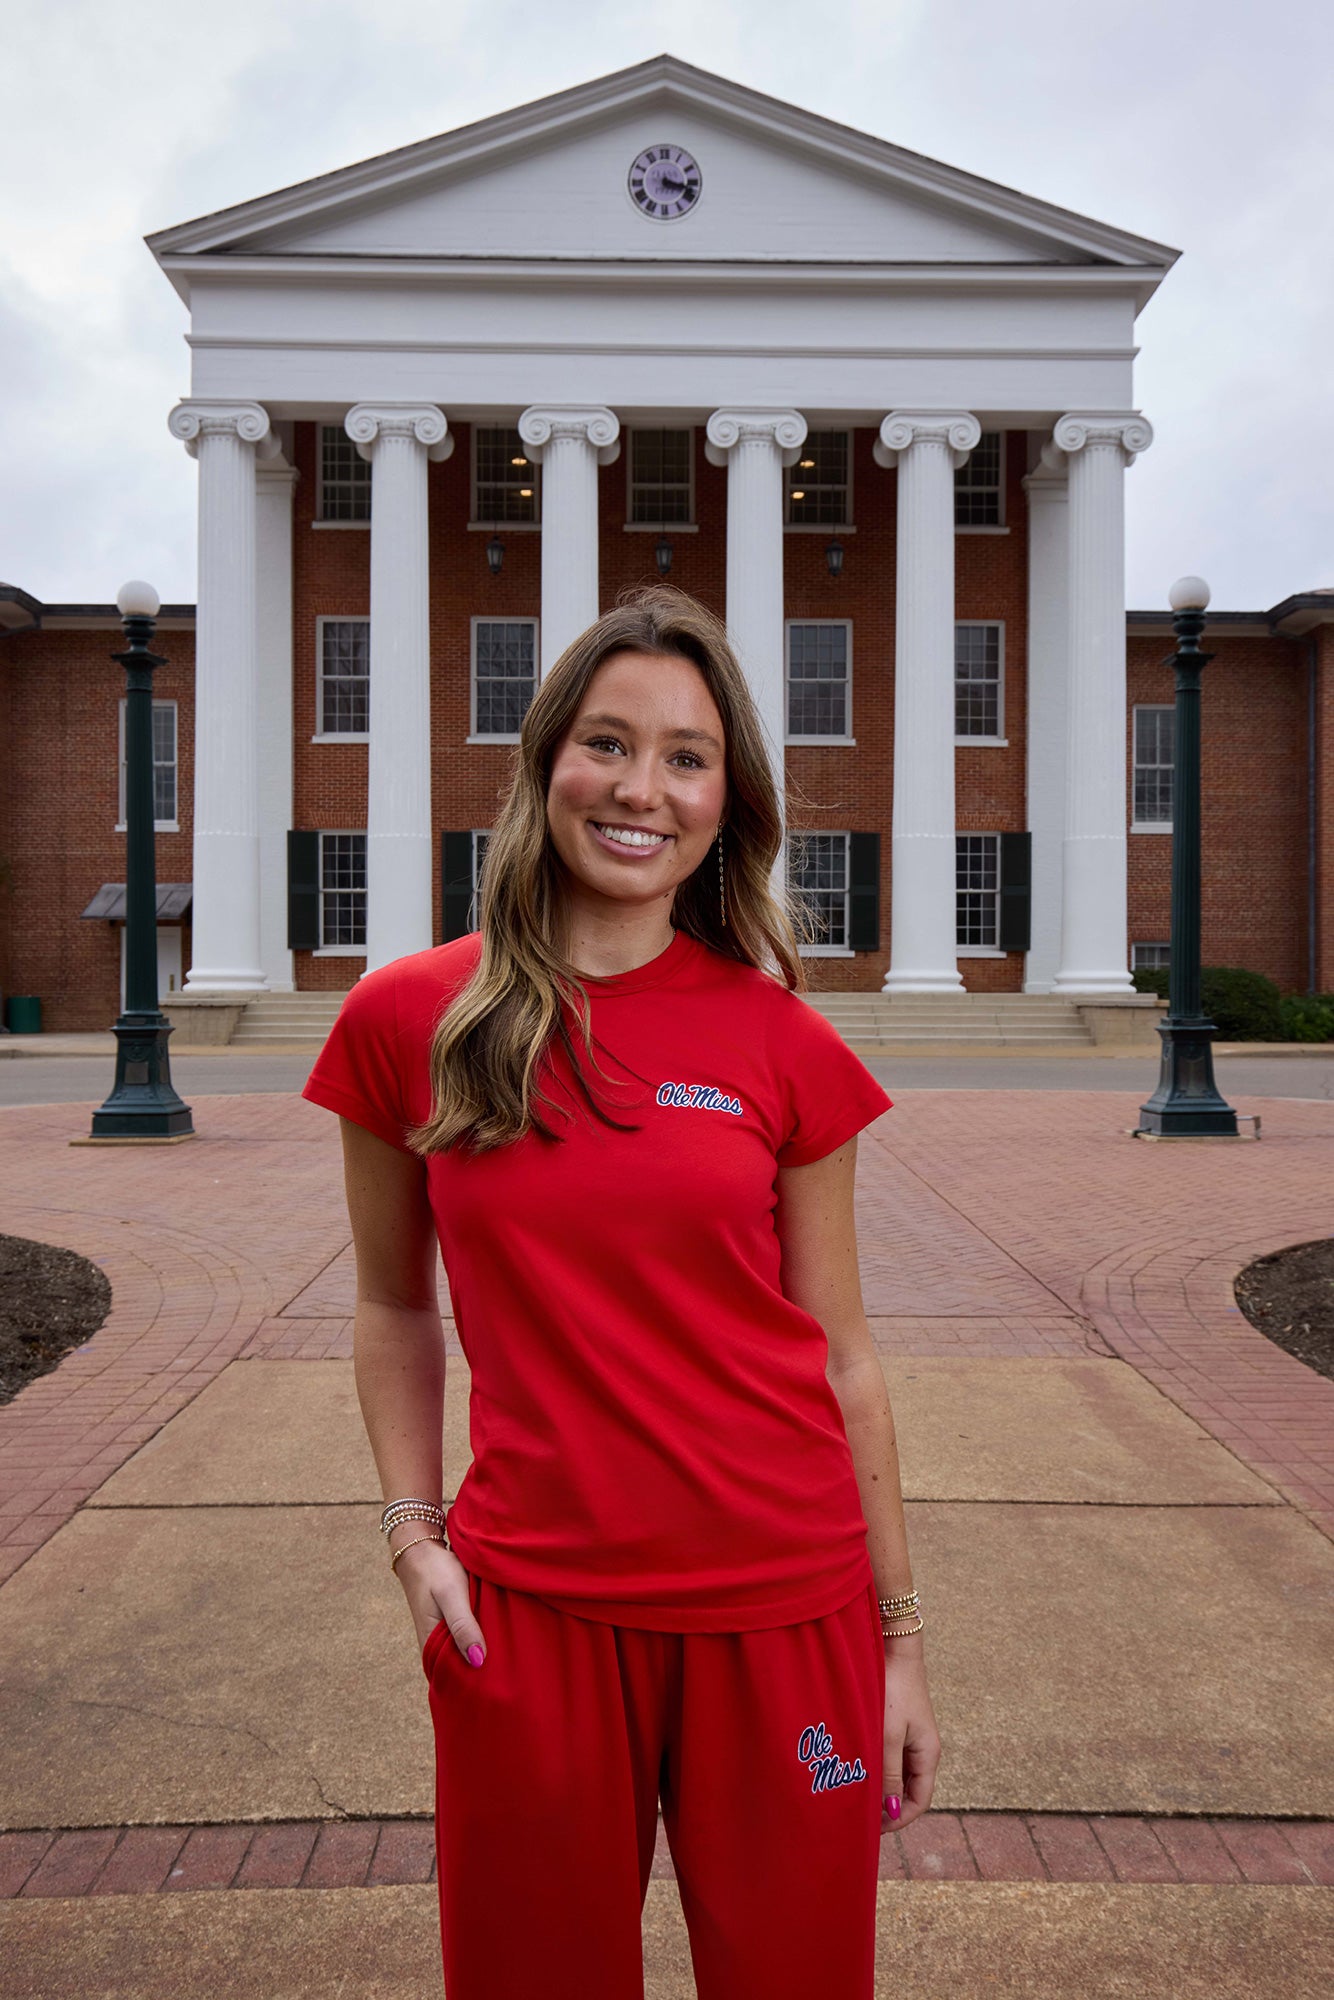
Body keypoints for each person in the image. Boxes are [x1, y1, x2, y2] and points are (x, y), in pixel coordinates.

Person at [302, 585, 941, 1999]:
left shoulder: (777, 1040)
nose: (641, 788)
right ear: (545, 764)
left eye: (687, 756)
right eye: (607, 741)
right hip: (529, 1610)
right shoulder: (410, 1022)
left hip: (786, 1609)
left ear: (727, 799)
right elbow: (395, 1305)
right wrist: (413, 1534)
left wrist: (897, 1642)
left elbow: (841, 1354)